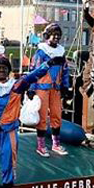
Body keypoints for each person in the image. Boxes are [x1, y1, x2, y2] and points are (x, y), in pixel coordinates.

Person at [0, 56, 61, 188]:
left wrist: (47, 64)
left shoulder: (15, 86)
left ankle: (8, 186)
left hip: (7, 132)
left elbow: (32, 76)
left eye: (4, 68)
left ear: (8, 71)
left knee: (7, 160)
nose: (1, 70)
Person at [30, 23, 71, 157]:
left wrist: (65, 85)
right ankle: (41, 146)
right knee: (42, 117)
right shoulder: (41, 52)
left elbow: (65, 70)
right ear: (47, 36)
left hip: (56, 89)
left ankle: (56, 144)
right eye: (54, 35)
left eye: (58, 35)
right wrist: (30, 88)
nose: (56, 38)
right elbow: (33, 70)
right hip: (41, 88)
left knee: (56, 115)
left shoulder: (61, 52)